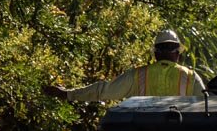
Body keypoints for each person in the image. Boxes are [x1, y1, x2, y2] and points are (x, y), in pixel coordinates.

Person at [48, 29, 205, 103]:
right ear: (178, 53)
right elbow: (207, 105)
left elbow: (103, 91)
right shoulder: (191, 77)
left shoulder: (139, 75)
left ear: (155, 54)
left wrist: (69, 94)